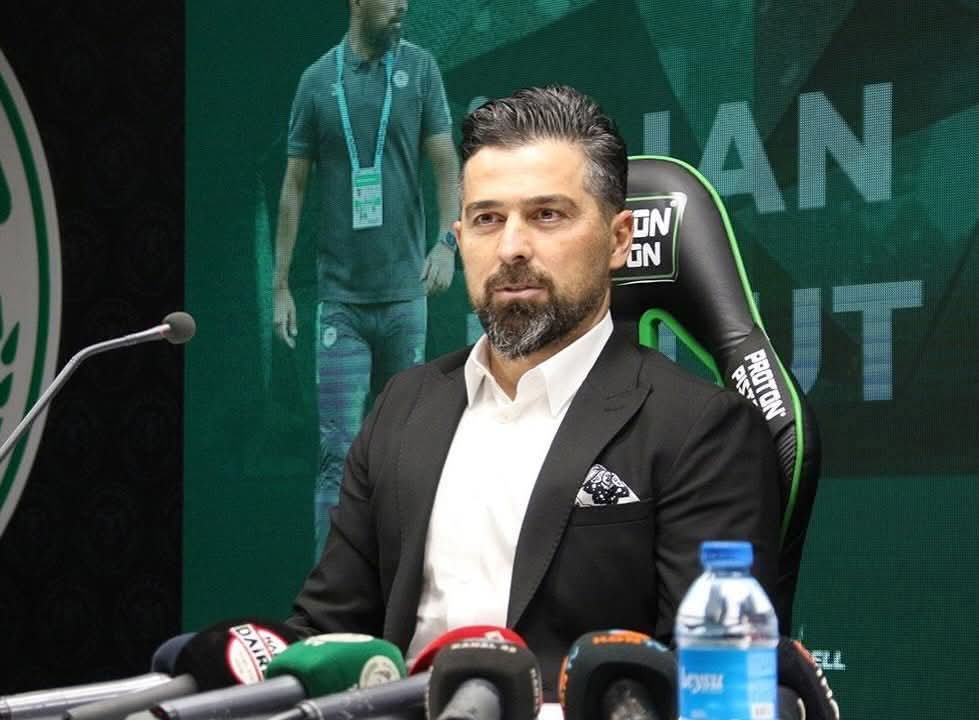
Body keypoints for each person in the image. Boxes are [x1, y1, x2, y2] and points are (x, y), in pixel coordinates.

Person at [287, 85, 780, 698]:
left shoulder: (702, 429)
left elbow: (706, 685)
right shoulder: (402, 406)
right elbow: (326, 634)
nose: (512, 247)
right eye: (487, 219)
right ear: (460, 237)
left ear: (619, 239)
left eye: (547, 215)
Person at [272, 0, 459, 555]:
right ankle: (330, 590)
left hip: (405, 300)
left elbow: (446, 163)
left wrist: (447, 244)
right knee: (338, 453)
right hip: (342, 305)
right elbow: (293, 188)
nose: (402, 4)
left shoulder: (420, 69)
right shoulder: (316, 82)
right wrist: (280, 285)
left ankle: (403, 583)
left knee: (403, 454)